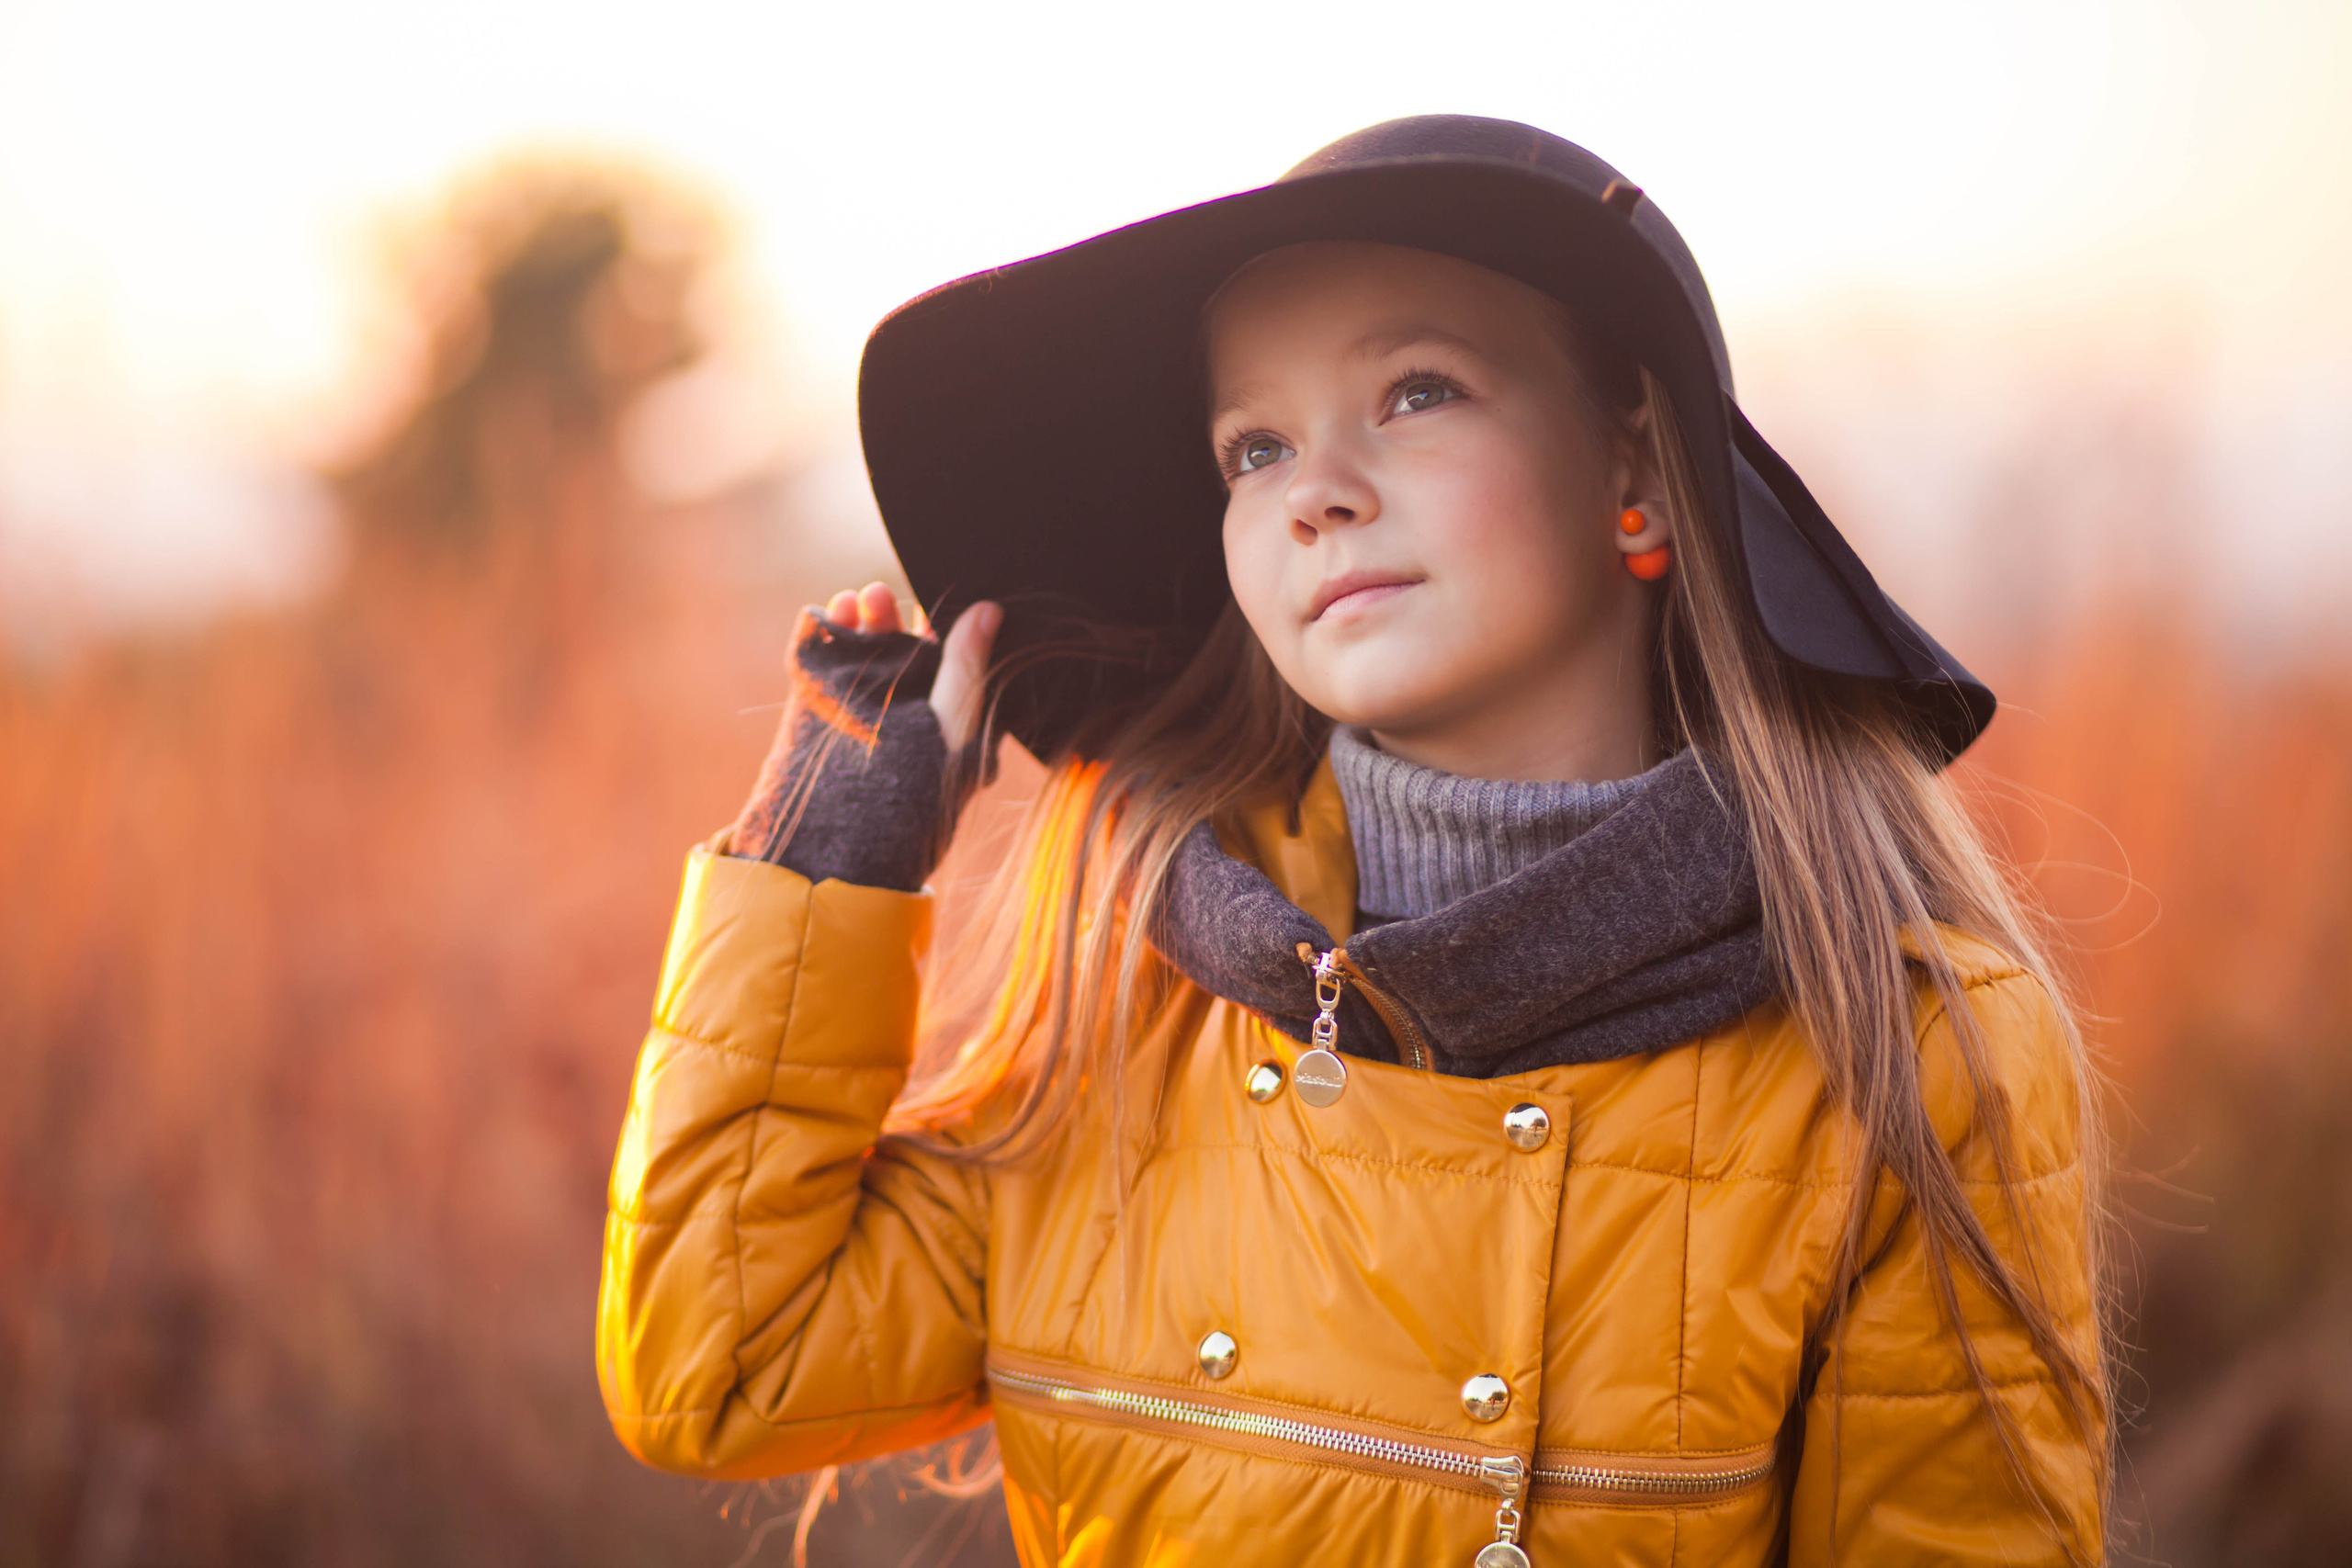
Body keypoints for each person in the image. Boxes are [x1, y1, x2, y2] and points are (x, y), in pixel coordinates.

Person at [597, 117, 2109, 1565]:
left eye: (1419, 391)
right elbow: (714, 1368)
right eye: (1253, 449)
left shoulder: (1902, 1054)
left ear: (1636, 478)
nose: (1315, 491)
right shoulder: (1131, 1010)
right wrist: (820, 859)